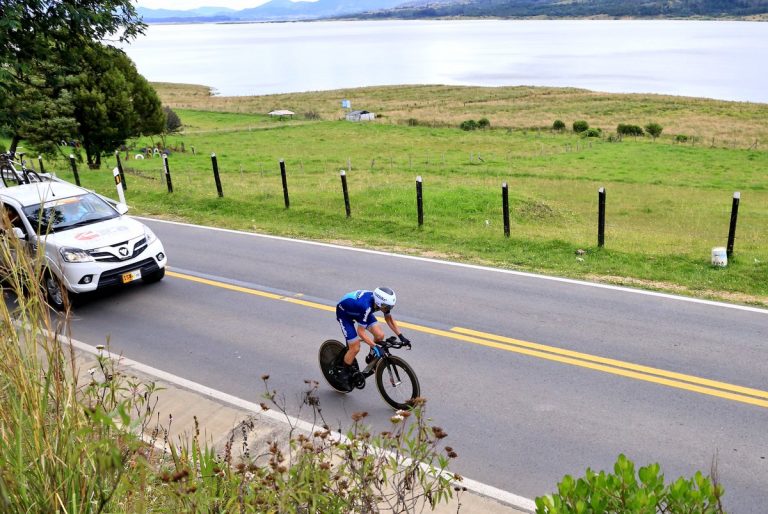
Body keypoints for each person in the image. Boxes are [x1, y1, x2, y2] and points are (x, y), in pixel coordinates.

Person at [335, 287, 410, 386]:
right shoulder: (366, 306)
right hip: (345, 314)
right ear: (379, 303)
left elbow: (389, 319)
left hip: (361, 312)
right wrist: (375, 347)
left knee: (380, 335)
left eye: (390, 307)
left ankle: (370, 356)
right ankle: (343, 373)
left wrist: (401, 336)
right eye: (387, 307)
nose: (388, 309)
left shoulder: (380, 303)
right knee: (355, 347)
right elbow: (361, 332)